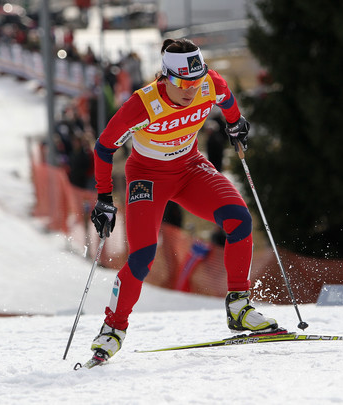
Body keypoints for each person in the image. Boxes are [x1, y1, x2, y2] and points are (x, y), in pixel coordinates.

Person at [88, 38, 278, 362]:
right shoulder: (143, 104)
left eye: (196, 79)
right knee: (143, 256)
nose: (191, 89)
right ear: (165, 77)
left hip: (189, 167)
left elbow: (227, 96)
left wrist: (235, 122)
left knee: (239, 219)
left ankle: (239, 306)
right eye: (182, 82)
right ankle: (113, 330)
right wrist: (105, 198)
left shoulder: (208, 83)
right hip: (147, 177)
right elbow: (104, 147)